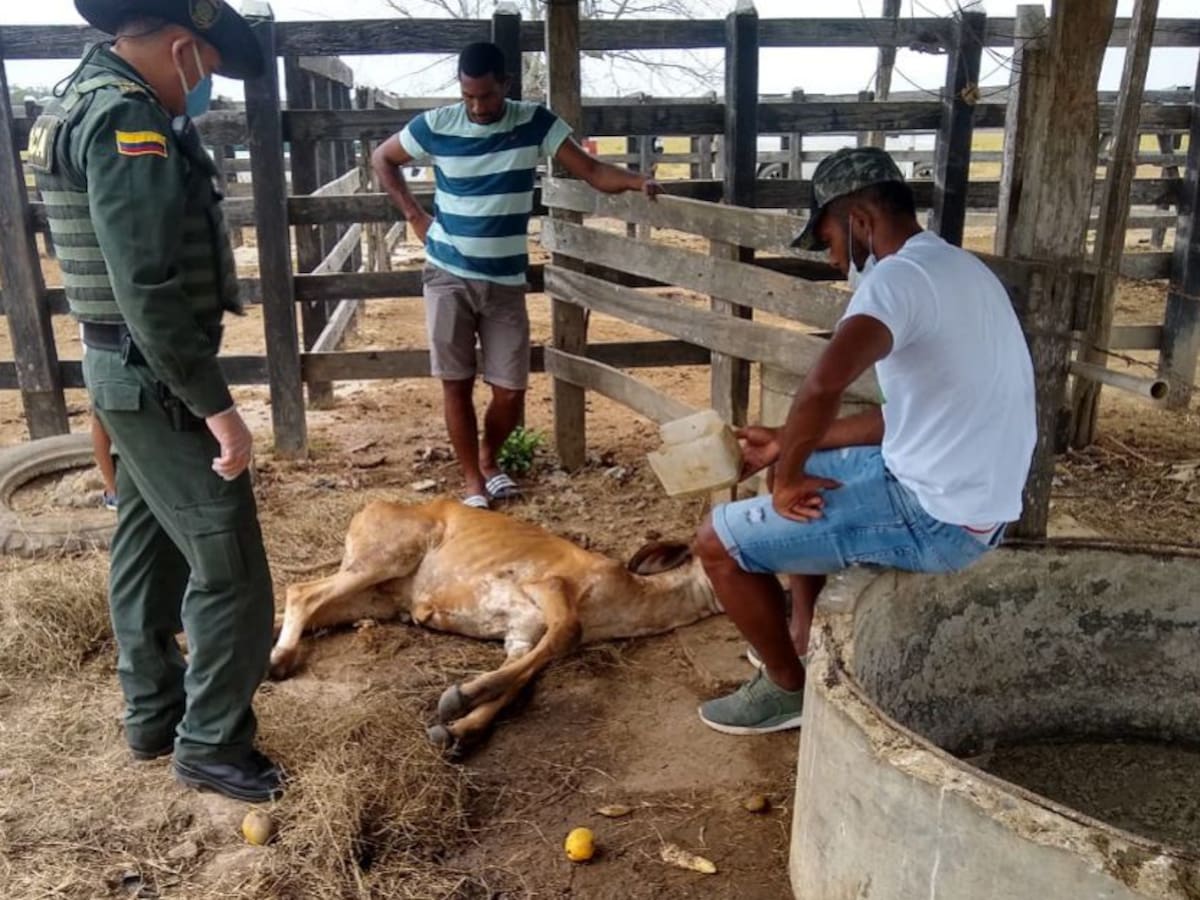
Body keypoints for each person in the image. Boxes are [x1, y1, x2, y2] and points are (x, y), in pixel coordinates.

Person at [691, 146, 1036, 736]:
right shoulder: (961, 269)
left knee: (715, 544)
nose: (833, 260)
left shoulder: (893, 281)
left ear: (858, 221)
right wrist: (785, 447)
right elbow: (902, 417)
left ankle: (785, 688)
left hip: (936, 517)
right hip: (979, 502)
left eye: (828, 239)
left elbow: (822, 385)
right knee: (795, 459)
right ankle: (801, 630)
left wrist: (792, 472)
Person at [28, 0, 282, 801]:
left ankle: (152, 713)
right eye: (204, 65)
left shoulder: (79, 93)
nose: (204, 83)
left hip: (121, 368)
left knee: (145, 538)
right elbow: (145, 286)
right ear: (180, 47)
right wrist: (218, 407)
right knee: (231, 566)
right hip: (154, 375)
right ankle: (211, 743)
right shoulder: (127, 122)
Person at [372, 42, 662, 509]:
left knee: (510, 390)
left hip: (505, 279)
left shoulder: (533, 122)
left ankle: (490, 459)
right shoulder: (436, 124)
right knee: (457, 381)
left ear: (505, 85)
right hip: (448, 271)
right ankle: (473, 483)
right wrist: (414, 216)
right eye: (468, 96)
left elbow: (588, 169)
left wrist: (635, 181)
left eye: (485, 96)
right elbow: (381, 158)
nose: (476, 107)